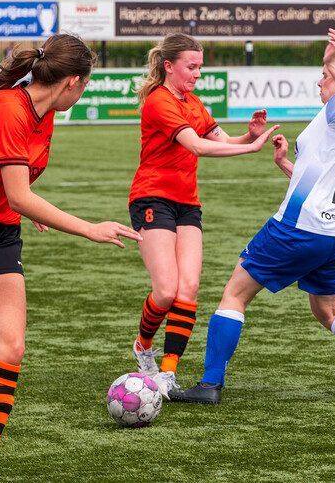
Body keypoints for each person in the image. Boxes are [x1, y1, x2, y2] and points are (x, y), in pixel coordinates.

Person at [0, 35, 141, 483]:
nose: (84, 92)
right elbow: (18, 194)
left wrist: (33, 209)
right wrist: (89, 227)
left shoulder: (47, 112)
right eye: (86, 85)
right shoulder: (8, 109)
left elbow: (17, 188)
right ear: (72, 81)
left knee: (10, 348)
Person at [170, 29, 335, 405]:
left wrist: (331, 62)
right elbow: (322, 180)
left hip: (298, 229)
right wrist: (285, 164)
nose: (320, 82)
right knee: (328, 311)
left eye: (325, 76)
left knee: (233, 295)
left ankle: (209, 384)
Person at [128, 33, 278, 398]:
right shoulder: (159, 102)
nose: (197, 73)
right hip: (152, 197)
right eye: (191, 67)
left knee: (189, 288)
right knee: (165, 291)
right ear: (169, 66)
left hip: (187, 204)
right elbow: (195, 145)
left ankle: (167, 373)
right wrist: (251, 149)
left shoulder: (193, 102)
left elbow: (220, 138)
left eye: (200, 67)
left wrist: (247, 136)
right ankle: (143, 345)